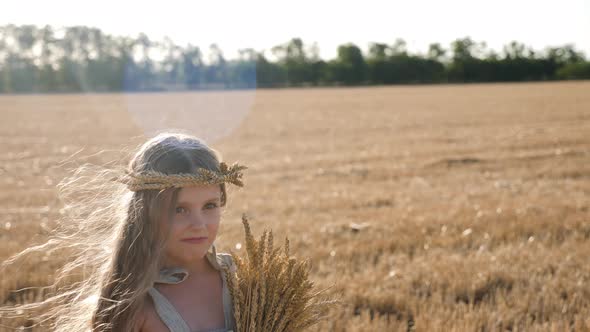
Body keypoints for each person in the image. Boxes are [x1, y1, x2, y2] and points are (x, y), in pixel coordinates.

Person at [0, 132, 246, 332]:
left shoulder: (243, 282)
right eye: (179, 209)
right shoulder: (131, 305)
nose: (199, 223)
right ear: (144, 212)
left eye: (210, 206)